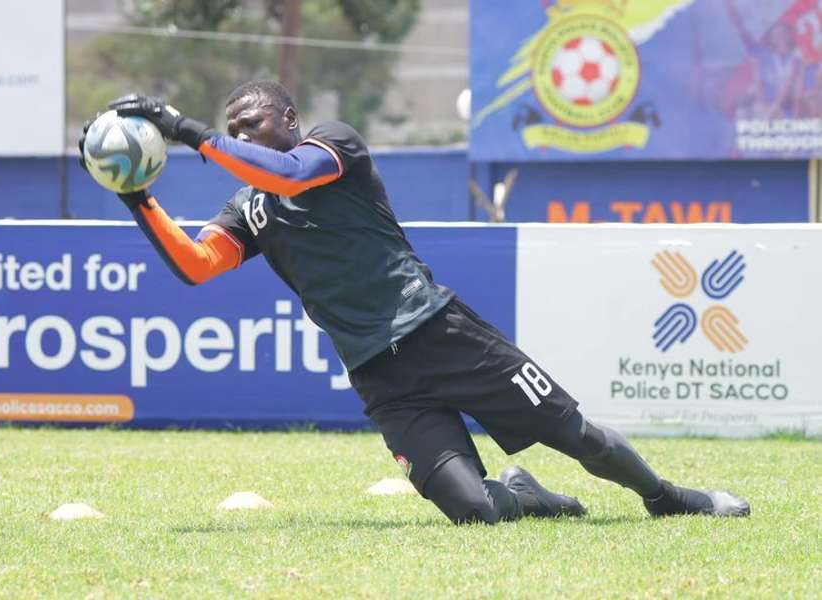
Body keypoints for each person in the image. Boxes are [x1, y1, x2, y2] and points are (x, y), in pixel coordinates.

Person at [80, 80, 749, 524]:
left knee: (579, 436)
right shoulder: (247, 208)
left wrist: (187, 129)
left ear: (288, 119)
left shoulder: (332, 146)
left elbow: (282, 173)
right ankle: (521, 493)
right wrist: (136, 195)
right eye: (233, 129)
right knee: (474, 513)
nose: (241, 134)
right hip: (382, 375)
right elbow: (197, 265)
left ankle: (668, 499)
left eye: (250, 124)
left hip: (440, 332)